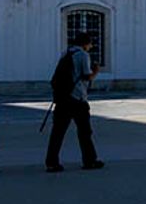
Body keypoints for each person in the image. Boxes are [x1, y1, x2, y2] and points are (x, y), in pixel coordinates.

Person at [45, 33, 104, 172]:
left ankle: (51, 162)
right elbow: (86, 76)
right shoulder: (83, 55)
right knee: (85, 132)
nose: (91, 47)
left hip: (63, 98)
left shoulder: (66, 53)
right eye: (90, 44)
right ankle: (89, 160)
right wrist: (96, 71)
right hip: (77, 99)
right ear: (85, 43)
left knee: (57, 132)